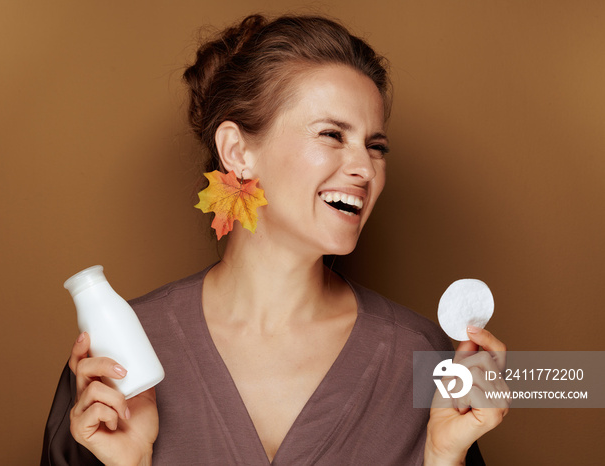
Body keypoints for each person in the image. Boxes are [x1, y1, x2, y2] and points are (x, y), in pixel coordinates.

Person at [41, 14, 509, 466]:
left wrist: (443, 458)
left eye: (376, 146)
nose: (365, 169)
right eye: (332, 134)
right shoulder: (118, 356)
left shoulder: (424, 357)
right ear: (238, 152)